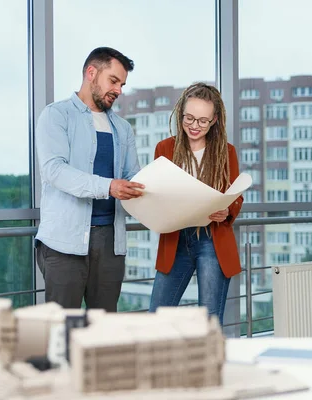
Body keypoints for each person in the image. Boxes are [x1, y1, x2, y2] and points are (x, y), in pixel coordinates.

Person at [34, 47, 144, 311]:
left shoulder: (122, 128)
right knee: (62, 331)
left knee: (104, 332)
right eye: (113, 81)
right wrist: (108, 186)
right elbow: (54, 170)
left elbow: (132, 177)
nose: (119, 90)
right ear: (91, 73)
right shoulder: (56, 115)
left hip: (110, 245)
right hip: (64, 244)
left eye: (122, 84)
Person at [148, 83, 243, 325]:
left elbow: (236, 195)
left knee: (209, 322)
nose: (194, 126)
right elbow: (157, 191)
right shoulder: (165, 149)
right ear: (180, 113)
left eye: (202, 120)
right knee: (157, 317)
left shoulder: (226, 151)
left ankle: (210, 363)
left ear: (214, 121)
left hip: (213, 240)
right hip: (175, 240)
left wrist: (227, 210)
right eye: (189, 118)